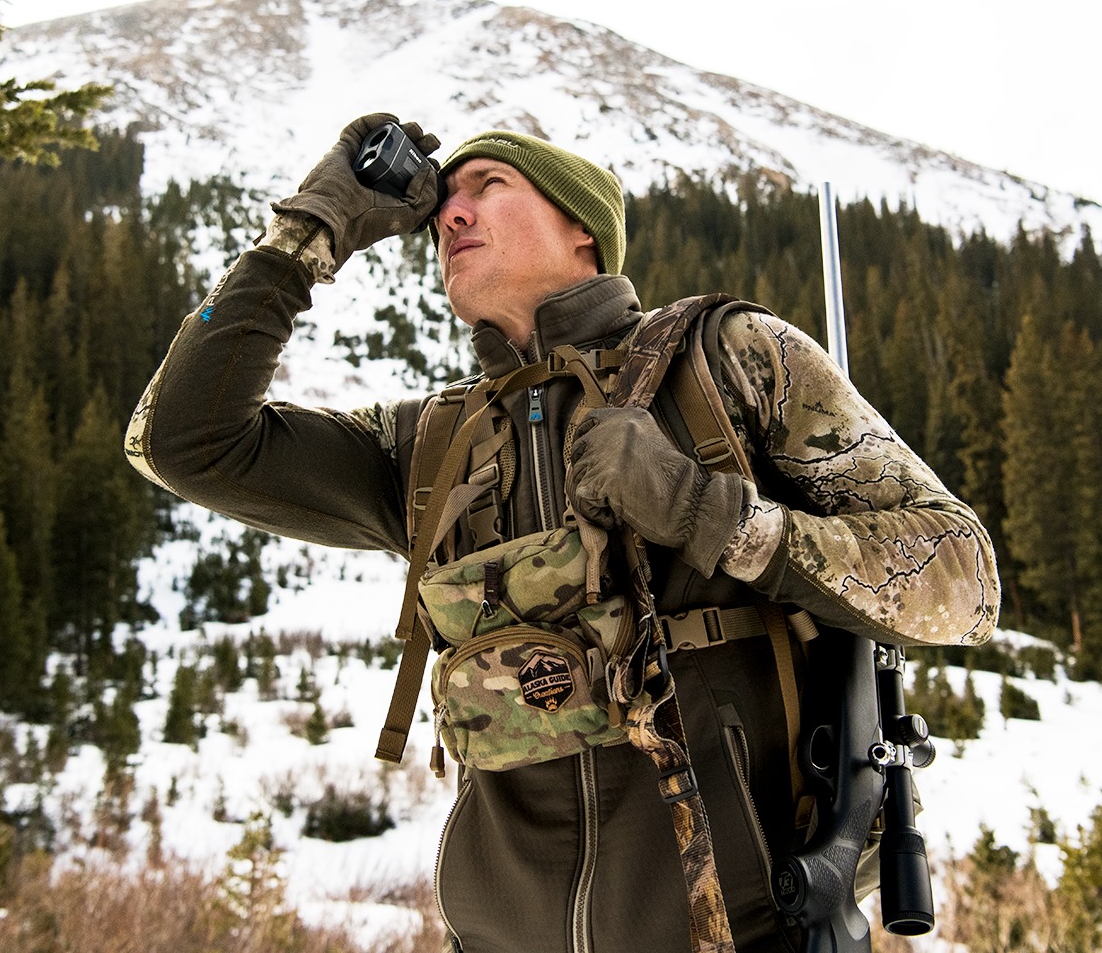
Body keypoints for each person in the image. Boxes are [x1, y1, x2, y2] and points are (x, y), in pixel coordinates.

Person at [126, 114, 1000, 953]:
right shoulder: (427, 445)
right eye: (442, 204)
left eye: (488, 185)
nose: (451, 214)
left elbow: (964, 578)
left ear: (585, 229)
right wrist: (310, 231)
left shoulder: (728, 361)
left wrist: (704, 511)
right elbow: (180, 443)